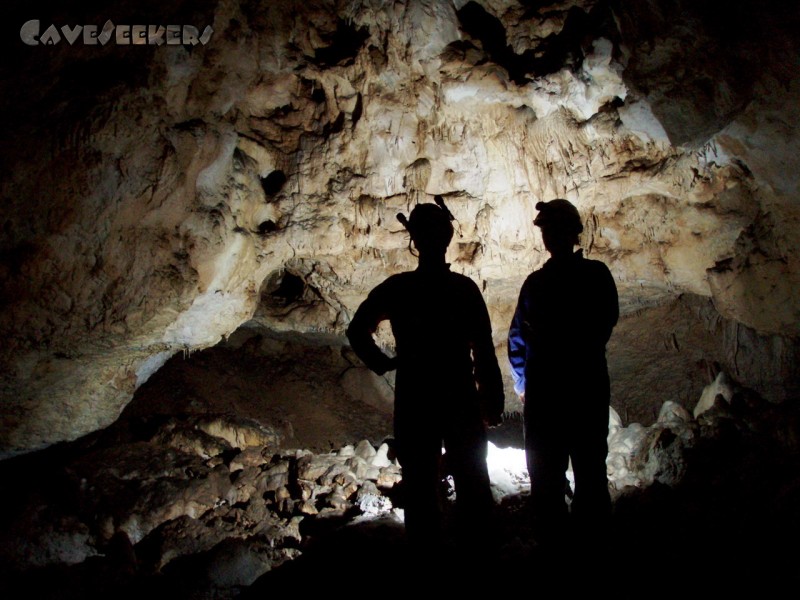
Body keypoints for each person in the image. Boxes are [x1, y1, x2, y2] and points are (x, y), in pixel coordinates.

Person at [346, 197, 504, 549]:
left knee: (419, 484)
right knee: (472, 480)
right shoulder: (463, 290)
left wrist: (382, 361)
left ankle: (427, 562)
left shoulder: (400, 288)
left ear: (414, 241)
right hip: (459, 395)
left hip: (416, 397)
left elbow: (357, 329)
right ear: (447, 239)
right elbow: (482, 349)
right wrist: (491, 399)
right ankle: (479, 557)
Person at [508, 199, 618, 548]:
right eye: (547, 230)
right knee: (570, 474)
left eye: (553, 230)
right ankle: (581, 548)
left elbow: (518, 339)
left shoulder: (545, 283)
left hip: (559, 391)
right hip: (577, 388)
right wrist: (525, 382)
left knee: (567, 474)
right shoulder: (586, 277)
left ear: (571, 233)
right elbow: (518, 337)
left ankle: (570, 550)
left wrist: (527, 381)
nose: (549, 236)